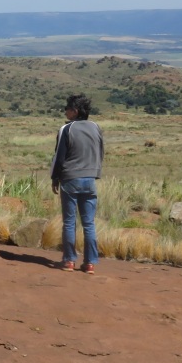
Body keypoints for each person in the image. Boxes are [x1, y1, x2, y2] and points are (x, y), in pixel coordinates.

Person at [49, 94, 104, 274]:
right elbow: (100, 151)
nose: (65, 111)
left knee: (69, 222)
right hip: (90, 179)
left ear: (75, 111)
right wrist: (95, 172)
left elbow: (59, 157)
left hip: (70, 179)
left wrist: (55, 178)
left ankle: (69, 261)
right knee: (89, 223)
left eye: (68, 108)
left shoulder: (67, 129)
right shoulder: (96, 127)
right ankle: (90, 264)